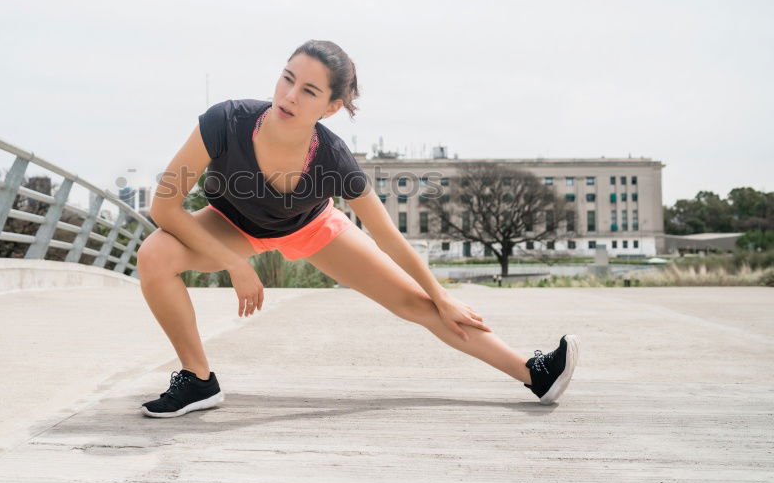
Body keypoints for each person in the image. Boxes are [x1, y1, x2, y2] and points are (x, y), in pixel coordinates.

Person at [137, 39, 579, 418]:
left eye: (308, 91)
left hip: (312, 228)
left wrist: (442, 296)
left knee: (420, 304)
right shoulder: (225, 122)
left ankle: (534, 373)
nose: (289, 96)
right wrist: (234, 263)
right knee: (154, 255)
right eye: (287, 78)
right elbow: (164, 205)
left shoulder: (333, 160)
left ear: (331, 107)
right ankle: (198, 380)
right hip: (232, 224)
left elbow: (388, 236)